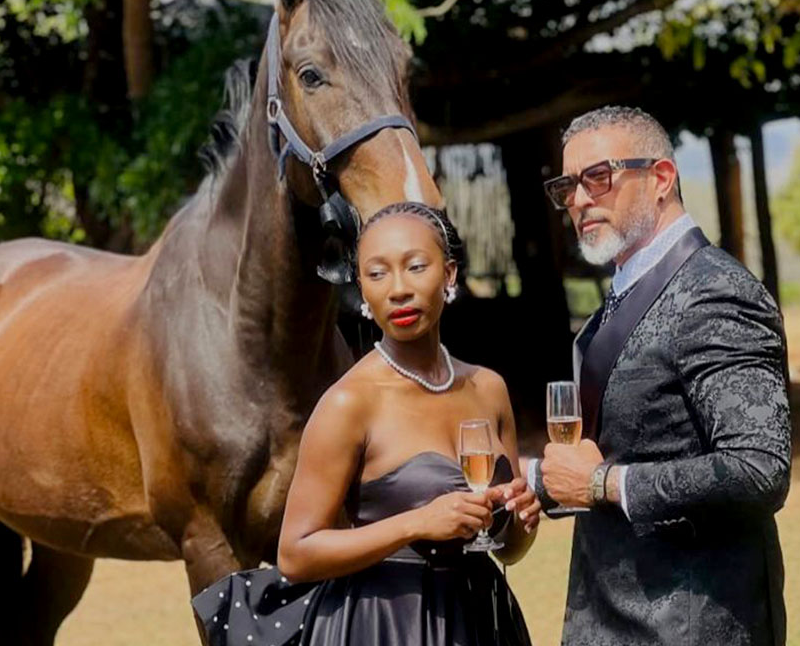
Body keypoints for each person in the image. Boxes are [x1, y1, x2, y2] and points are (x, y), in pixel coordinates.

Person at [194, 201, 540, 646]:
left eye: (416, 267)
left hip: (478, 621)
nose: (398, 289)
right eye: (377, 274)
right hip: (384, 624)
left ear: (449, 274)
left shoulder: (489, 389)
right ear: (361, 290)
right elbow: (296, 553)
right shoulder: (349, 403)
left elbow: (507, 549)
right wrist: (416, 523)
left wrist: (520, 522)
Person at [529, 106, 791, 646]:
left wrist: (604, 484)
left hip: (693, 625)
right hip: (610, 615)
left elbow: (759, 467)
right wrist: (533, 483)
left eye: (597, 177)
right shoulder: (621, 297)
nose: (579, 200)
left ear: (662, 179)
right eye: (567, 186)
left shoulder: (715, 292)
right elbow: (618, 448)